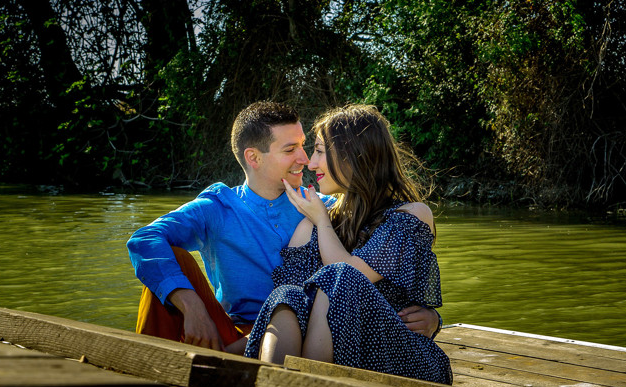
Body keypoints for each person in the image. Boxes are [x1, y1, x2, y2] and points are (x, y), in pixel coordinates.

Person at [127, 100, 441, 353]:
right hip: (232, 331)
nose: (304, 159)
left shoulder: (325, 209)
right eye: (290, 150)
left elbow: (377, 275)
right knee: (172, 261)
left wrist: (430, 316)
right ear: (254, 158)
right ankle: (146, 376)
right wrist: (191, 304)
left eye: (306, 146)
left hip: (305, 332)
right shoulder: (217, 208)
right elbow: (144, 239)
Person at [243, 104, 452, 384]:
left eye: (319, 151)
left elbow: (350, 274)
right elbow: (281, 305)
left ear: (353, 155)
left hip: (399, 361)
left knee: (339, 276)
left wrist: (322, 220)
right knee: (288, 295)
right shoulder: (314, 224)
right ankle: (274, 386)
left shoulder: (411, 215)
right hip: (339, 362)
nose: (311, 164)